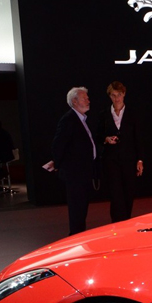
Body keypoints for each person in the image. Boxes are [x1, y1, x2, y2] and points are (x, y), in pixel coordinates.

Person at [52, 87, 98, 236]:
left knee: (81, 207)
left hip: (83, 172)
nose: (88, 100)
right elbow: (58, 144)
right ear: (75, 101)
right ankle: (76, 236)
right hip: (75, 173)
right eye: (85, 98)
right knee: (77, 208)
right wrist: (58, 165)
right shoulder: (69, 120)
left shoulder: (82, 119)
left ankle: (79, 234)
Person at [99, 81, 143, 222]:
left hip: (129, 159)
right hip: (111, 160)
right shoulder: (103, 114)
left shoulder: (132, 114)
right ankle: (117, 223)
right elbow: (97, 135)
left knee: (128, 192)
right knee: (115, 193)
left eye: (119, 94)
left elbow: (138, 138)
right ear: (109, 96)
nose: (116, 98)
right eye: (113, 95)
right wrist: (106, 139)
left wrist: (140, 159)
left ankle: (126, 221)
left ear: (124, 94)